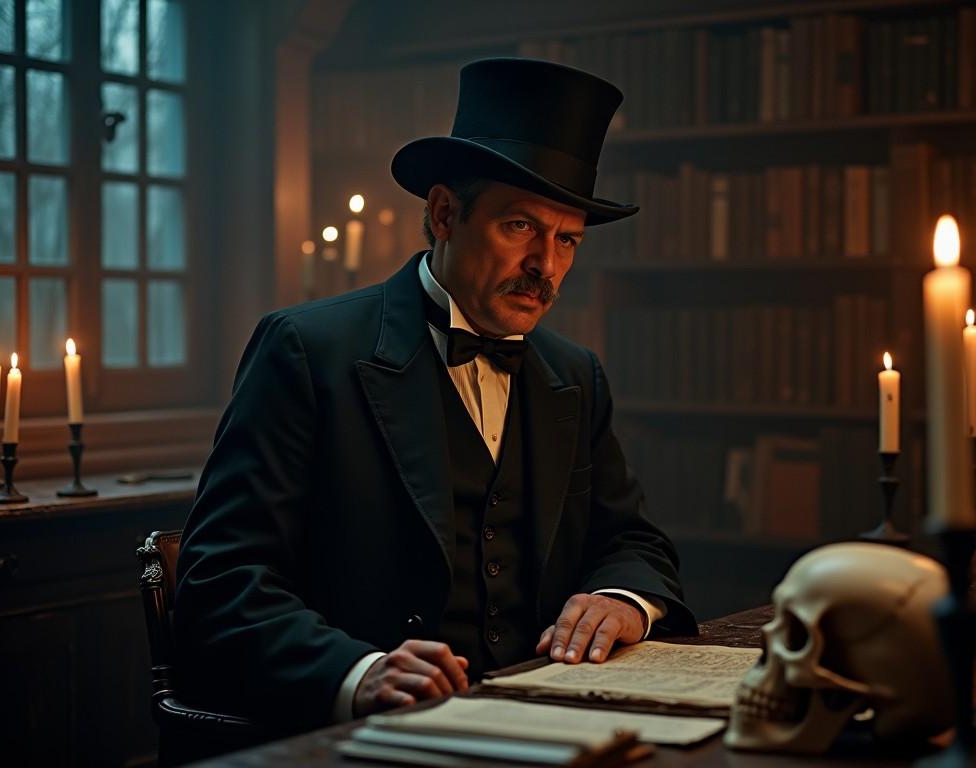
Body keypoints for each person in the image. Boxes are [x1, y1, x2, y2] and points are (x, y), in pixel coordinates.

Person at [174, 57, 697, 741]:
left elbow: (633, 539)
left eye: (566, 239)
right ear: (445, 213)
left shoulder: (575, 374)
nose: (546, 264)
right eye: (520, 227)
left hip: (548, 724)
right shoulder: (306, 351)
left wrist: (621, 600)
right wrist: (359, 674)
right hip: (364, 739)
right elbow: (220, 581)